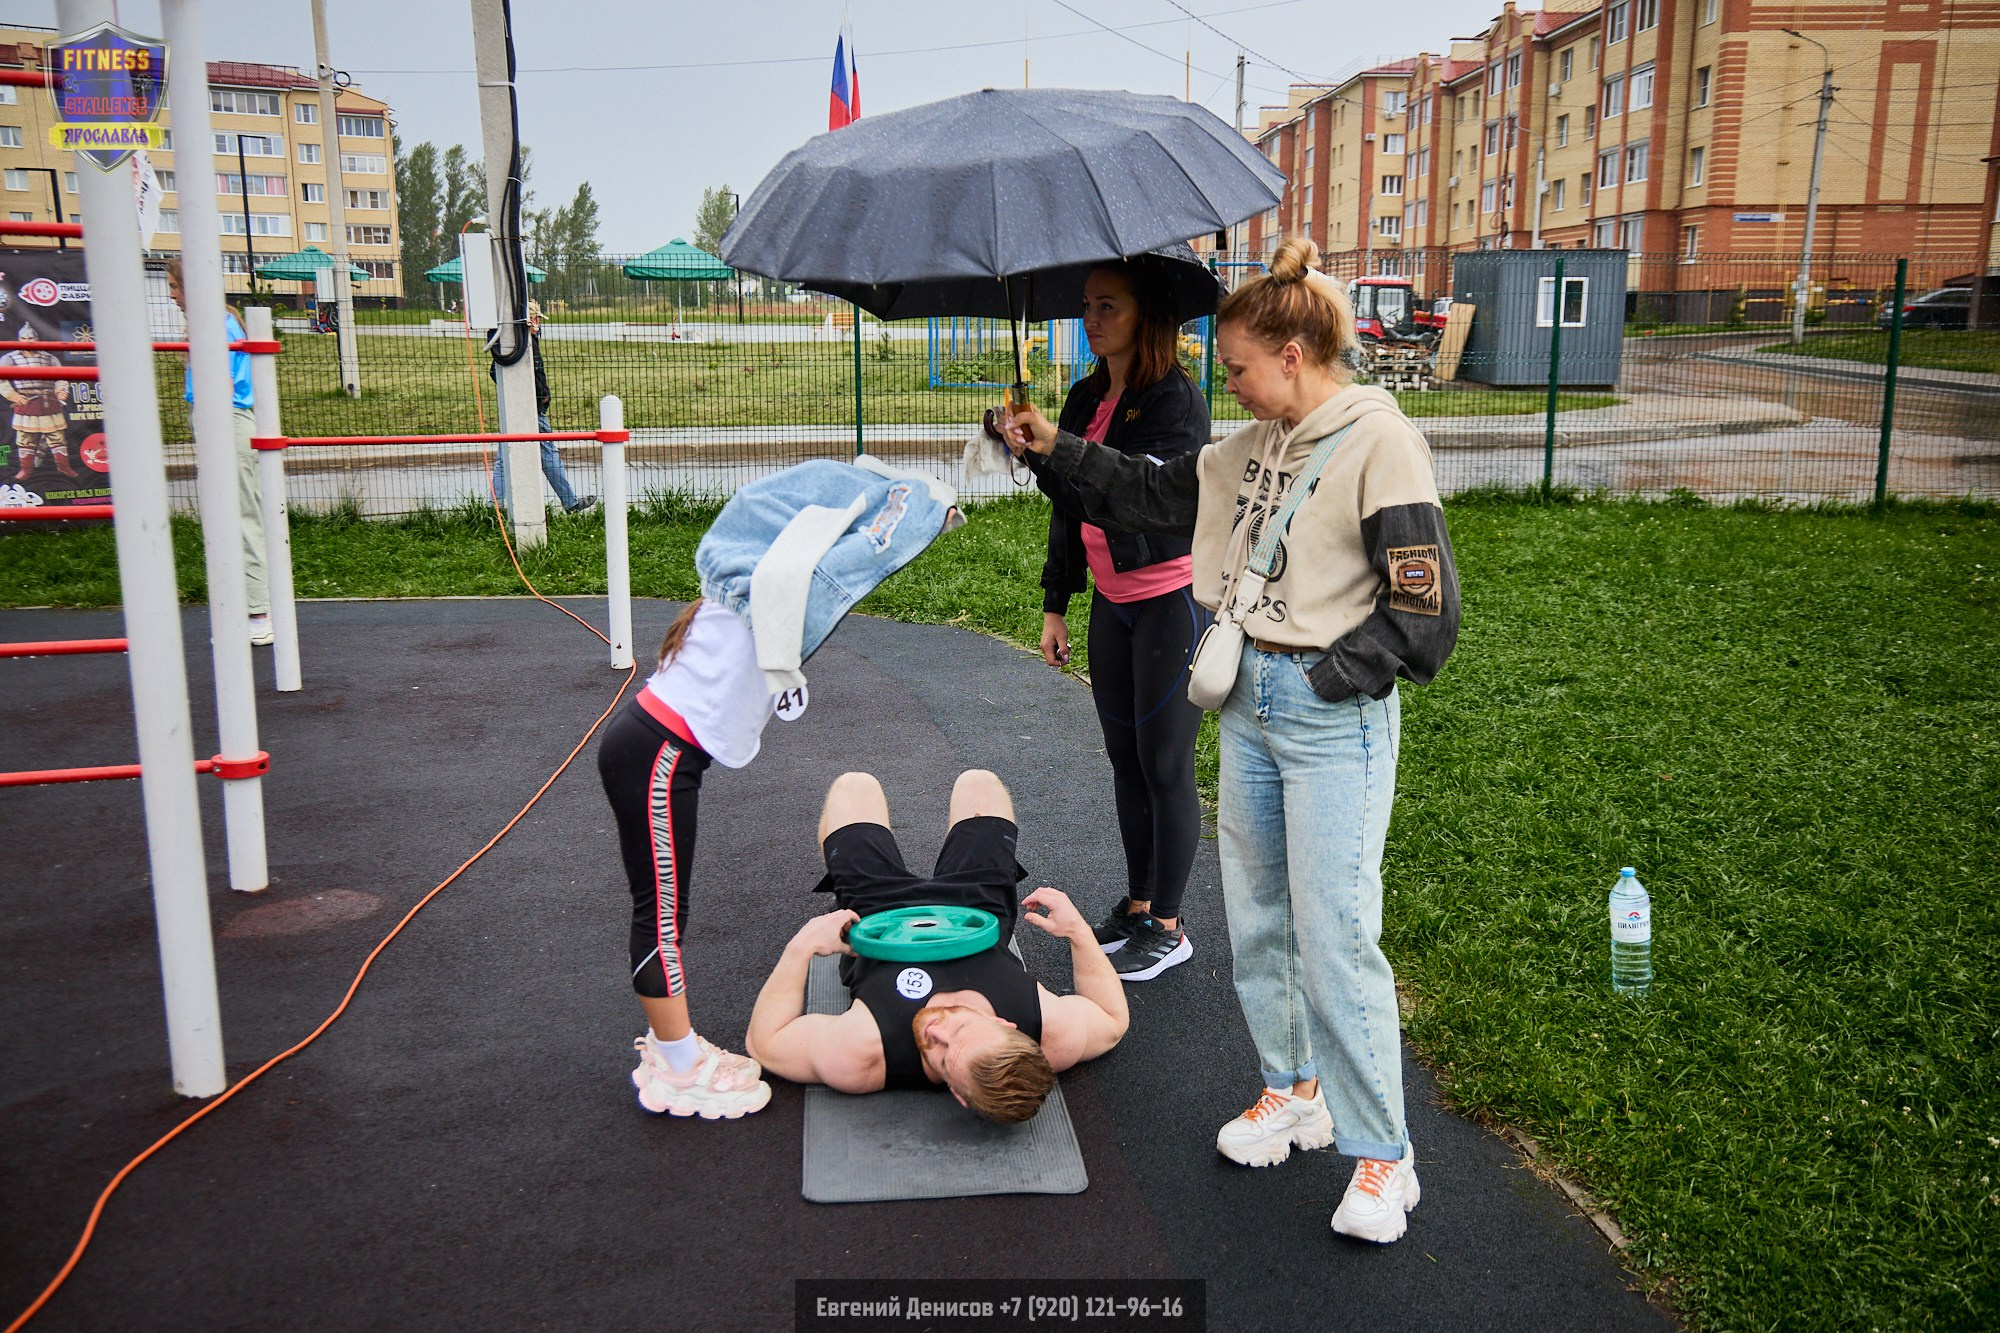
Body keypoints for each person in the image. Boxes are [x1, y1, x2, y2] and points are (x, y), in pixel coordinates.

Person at [1003, 237, 1461, 1243]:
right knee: (1255, 916)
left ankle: (1385, 1153)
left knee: (1333, 931)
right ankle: (1291, 1092)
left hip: (1327, 714)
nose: (1231, 383)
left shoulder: (1379, 442)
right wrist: (1053, 447)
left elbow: (1424, 616)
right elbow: (1151, 492)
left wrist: (1324, 677)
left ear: (1293, 355)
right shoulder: (1252, 448)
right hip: (1244, 707)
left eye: (1243, 366)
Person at [600, 457, 963, 1121]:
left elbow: (819, 536)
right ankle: (677, 1063)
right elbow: (841, 561)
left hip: (657, 748)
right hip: (656, 753)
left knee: (663, 911)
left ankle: (671, 1045)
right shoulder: (766, 592)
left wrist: (889, 494)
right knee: (660, 917)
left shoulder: (747, 593)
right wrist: (915, 508)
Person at [744, 770, 1129, 1122]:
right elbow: (1112, 1020)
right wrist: (1077, 931)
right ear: (1005, 1024)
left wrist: (802, 946)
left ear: (958, 1096)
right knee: (979, 783)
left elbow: (766, 1042)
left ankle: (845, 877)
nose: (936, 1032)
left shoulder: (863, 1053)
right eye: (961, 1028)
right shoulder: (1052, 1031)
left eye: (945, 1058)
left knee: (854, 787)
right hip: (975, 909)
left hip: (878, 914)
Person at [1027, 257, 1211, 982]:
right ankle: (1139, 905)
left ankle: (1170, 923)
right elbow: (1072, 503)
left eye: (1109, 305)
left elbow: (1143, 497)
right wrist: (1054, 601)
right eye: (1086, 305)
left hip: (1171, 598)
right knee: (1125, 760)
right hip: (1113, 602)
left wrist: (1063, 451)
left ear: (1146, 314)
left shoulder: (1175, 402)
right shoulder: (1084, 396)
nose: (1091, 319)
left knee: (1166, 764)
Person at [165, 259, 270, 647]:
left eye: (175, 287)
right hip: (214, 420)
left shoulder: (218, 326)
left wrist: (212, 435)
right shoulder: (207, 326)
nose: (171, 295)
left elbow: (221, 386)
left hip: (225, 421)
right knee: (224, 518)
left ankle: (258, 611)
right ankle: (240, 605)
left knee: (243, 516)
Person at [490, 299, 596, 515]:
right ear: (530, 321)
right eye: (537, 318)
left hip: (515, 407)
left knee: (505, 456)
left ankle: (495, 507)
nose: (539, 323)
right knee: (547, 454)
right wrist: (542, 397)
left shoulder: (512, 343)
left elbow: (495, 371)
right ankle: (570, 503)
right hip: (533, 409)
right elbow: (534, 374)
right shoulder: (527, 343)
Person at [1, 325, 74, 483]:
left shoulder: (49, 358)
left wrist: (61, 390)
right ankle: (25, 469)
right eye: (24, 339)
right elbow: (1, 379)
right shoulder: (10, 358)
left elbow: (61, 377)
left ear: (37, 339)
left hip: (49, 401)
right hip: (26, 401)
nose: (27, 342)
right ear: (19, 340)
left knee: (57, 436)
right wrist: (12, 395)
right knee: (25, 437)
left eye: (31, 338)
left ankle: (63, 466)